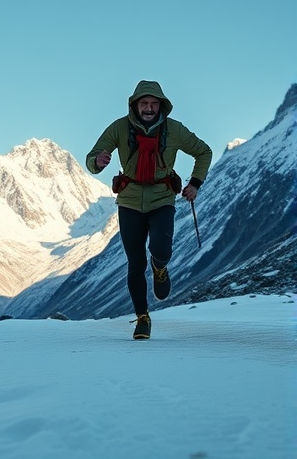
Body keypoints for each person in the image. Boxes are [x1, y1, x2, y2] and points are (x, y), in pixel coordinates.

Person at [86, 80, 212, 340]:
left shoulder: (174, 130)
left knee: (161, 249)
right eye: (144, 103)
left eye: (154, 104)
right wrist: (98, 161)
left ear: (161, 105)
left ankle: (160, 267)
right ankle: (142, 318)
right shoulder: (119, 128)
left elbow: (204, 152)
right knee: (135, 263)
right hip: (130, 202)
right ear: (135, 105)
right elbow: (92, 157)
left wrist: (195, 183)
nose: (149, 108)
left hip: (162, 199)